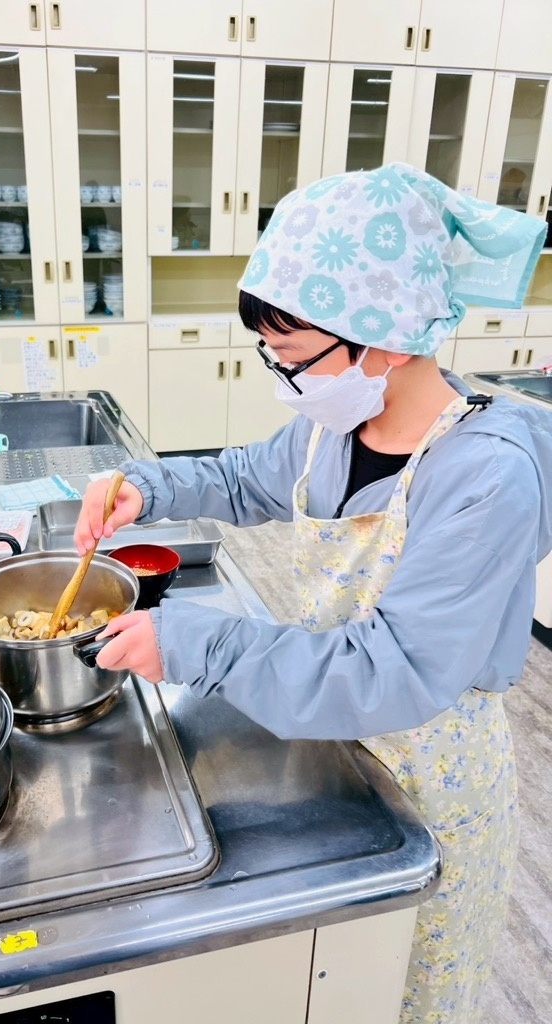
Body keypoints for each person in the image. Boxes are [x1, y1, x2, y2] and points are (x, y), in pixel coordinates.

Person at [74, 162, 552, 1023]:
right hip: (332, 725)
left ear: (387, 337)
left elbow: (393, 670)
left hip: (426, 768)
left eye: (295, 357)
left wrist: (193, 640)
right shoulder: (338, 424)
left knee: (409, 990)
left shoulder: (485, 476)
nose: (284, 377)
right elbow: (245, 478)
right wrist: (145, 486)